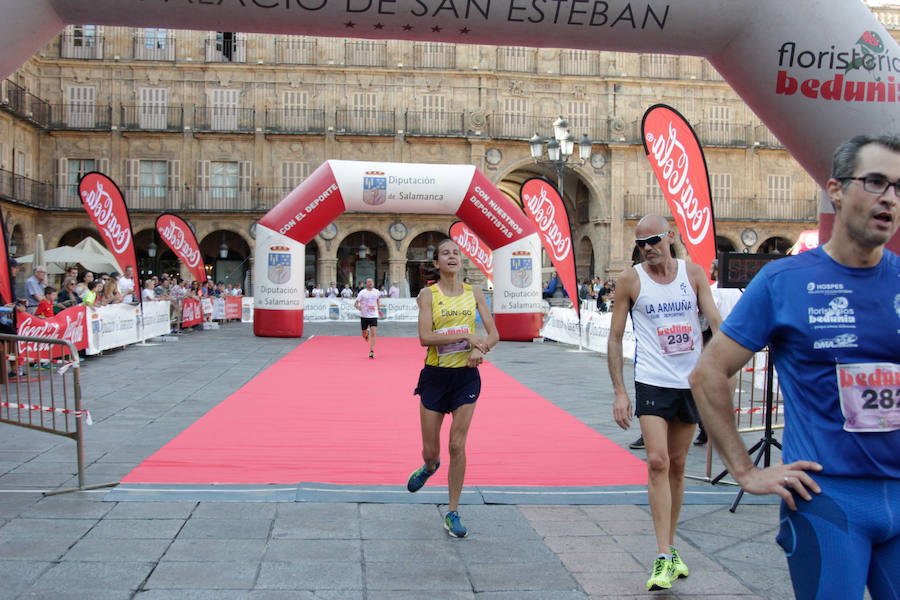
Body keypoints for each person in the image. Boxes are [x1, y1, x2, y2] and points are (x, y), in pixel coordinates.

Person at [690, 134, 900, 600]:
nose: (890, 197)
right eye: (876, 181)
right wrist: (745, 471)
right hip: (829, 502)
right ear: (837, 190)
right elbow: (707, 374)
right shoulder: (785, 281)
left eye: (899, 187)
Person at [607, 214, 722, 591]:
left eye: (654, 239)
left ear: (670, 236)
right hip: (652, 381)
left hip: (689, 382)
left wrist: (724, 365)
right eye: (642, 243)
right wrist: (620, 391)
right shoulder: (631, 280)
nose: (648, 247)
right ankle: (661, 554)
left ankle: (671, 549)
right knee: (657, 461)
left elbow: (716, 323)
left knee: (677, 464)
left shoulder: (694, 273)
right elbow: (616, 337)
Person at [406, 239, 499, 538]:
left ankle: (453, 511)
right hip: (435, 376)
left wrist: (480, 349)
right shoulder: (427, 295)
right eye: (445, 253)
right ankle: (429, 466)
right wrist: (466, 335)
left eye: (456, 253)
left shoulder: (474, 292)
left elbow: (494, 333)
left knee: (457, 445)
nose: (452, 257)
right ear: (436, 263)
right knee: (431, 451)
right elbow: (424, 337)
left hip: (466, 377)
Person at [694, 258, 744, 446]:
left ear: (717, 272)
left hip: (715, 339)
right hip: (736, 340)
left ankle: (706, 428)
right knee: (728, 385)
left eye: (711, 269)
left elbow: (707, 319)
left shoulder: (714, 291)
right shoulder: (740, 290)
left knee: (707, 386)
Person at [355, 277, 382, 359]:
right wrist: (358, 307)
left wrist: (379, 308)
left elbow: (377, 300)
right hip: (364, 315)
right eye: (368, 282)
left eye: (371, 282)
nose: (370, 283)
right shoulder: (362, 293)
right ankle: (366, 335)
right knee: (364, 334)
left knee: (373, 333)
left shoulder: (376, 292)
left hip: (373, 315)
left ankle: (371, 350)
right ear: (366, 284)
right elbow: (356, 303)